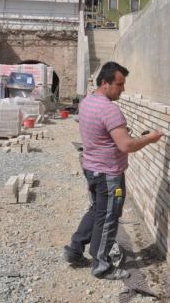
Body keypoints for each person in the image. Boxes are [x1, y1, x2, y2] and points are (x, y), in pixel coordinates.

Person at [64, 62, 163, 279]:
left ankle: (74, 250)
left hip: (92, 168)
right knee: (108, 216)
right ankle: (101, 265)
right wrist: (149, 138)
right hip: (108, 174)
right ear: (105, 83)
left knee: (96, 211)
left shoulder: (88, 102)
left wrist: (119, 132)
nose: (123, 89)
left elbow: (102, 133)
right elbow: (126, 145)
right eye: (119, 84)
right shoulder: (110, 110)